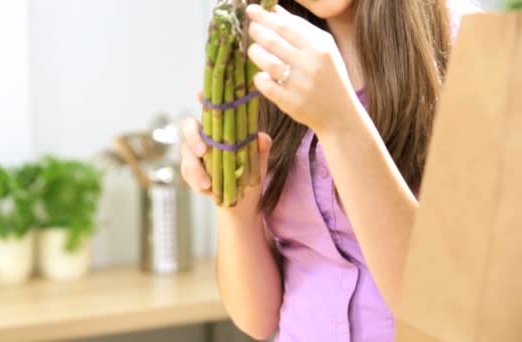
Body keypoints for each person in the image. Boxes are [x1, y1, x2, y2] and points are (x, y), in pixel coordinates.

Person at [181, 0, 478, 341]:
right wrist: (237, 211)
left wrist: (340, 122)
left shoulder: (474, 49)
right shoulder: (262, 59)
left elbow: (444, 307)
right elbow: (256, 319)